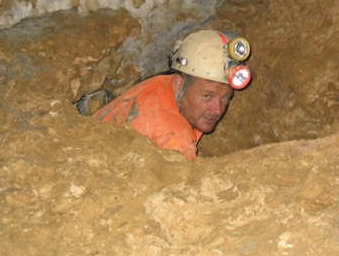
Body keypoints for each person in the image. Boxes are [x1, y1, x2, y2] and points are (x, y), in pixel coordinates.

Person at [93, 29, 252, 160]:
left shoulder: (163, 84)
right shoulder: (173, 135)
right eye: (207, 96)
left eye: (225, 97)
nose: (218, 109)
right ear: (179, 84)